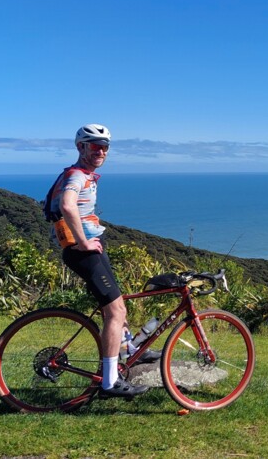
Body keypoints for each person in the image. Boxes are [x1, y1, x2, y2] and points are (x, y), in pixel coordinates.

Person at [47, 124, 155, 399]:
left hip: (90, 250)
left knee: (117, 306)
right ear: (80, 147)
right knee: (116, 311)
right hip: (82, 251)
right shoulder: (76, 176)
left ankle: (130, 351)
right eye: (94, 145)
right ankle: (109, 382)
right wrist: (83, 241)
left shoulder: (84, 175)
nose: (101, 151)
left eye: (105, 146)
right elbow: (68, 205)